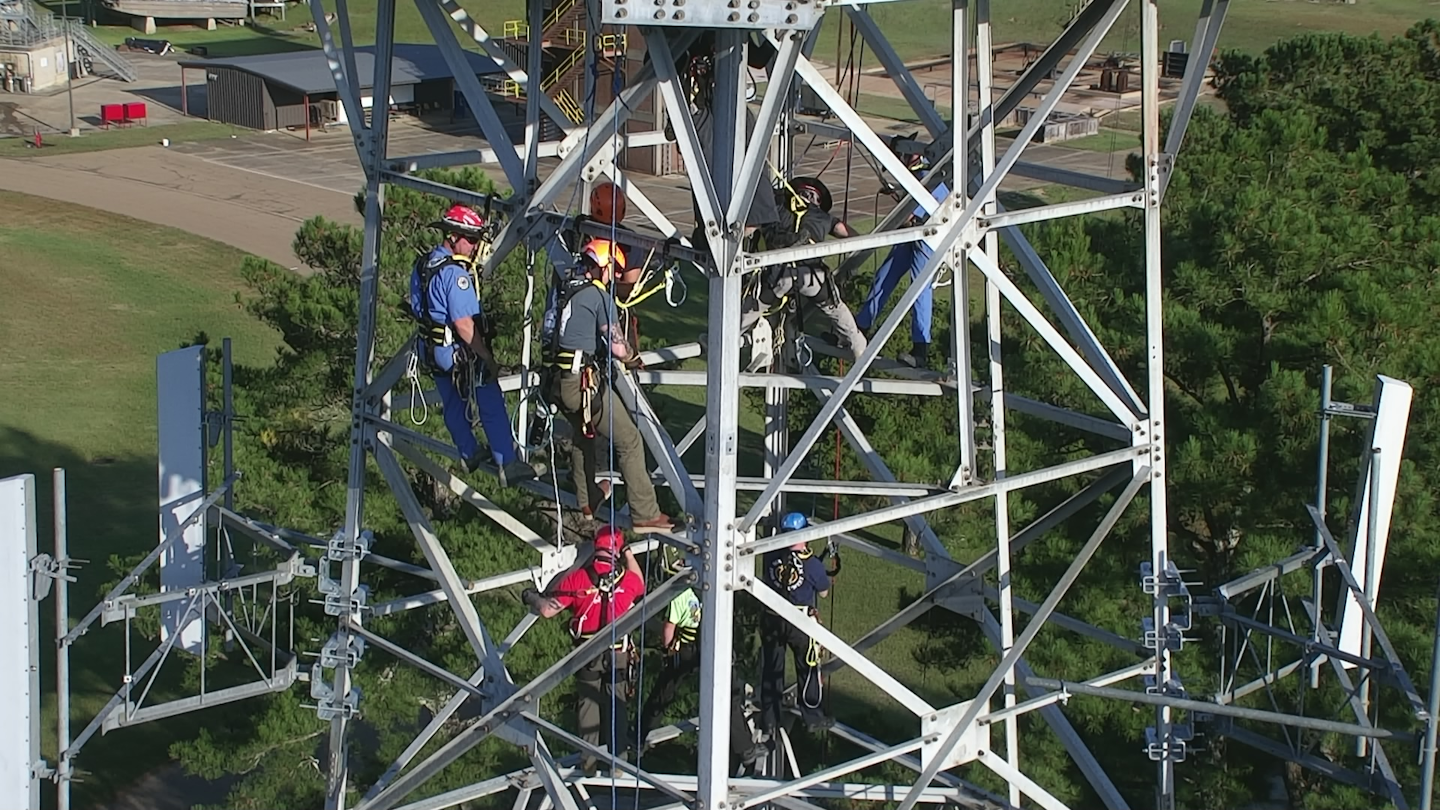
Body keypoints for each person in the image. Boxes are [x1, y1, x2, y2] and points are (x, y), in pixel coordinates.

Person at [543, 238, 677, 533]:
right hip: (581, 384)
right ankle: (645, 513)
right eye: (614, 270)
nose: (616, 276)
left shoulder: (564, 287)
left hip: (556, 380)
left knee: (583, 434)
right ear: (603, 267)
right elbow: (617, 347)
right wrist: (632, 357)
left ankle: (587, 500)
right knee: (629, 439)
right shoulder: (598, 297)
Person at [410, 204, 541, 486]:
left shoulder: (423, 265)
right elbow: (464, 325)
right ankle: (507, 463)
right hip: (457, 350)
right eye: (470, 239)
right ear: (453, 237)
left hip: (431, 349)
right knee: (490, 398)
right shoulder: (455, 275)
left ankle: (468, 452)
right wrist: (486, 357)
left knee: (452, 402)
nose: (473, 247)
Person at [523, 525, 646, 771]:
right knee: (617, 705)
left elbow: (548, 610)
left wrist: (530, 596)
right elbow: (641, 583)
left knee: (588, 705)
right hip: (618, 652)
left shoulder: (579, 579)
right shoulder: (628, 580)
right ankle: (618, 762)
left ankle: (588, 760)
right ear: (617, 550)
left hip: (588, 652)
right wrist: (629, 554)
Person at [638, 548, 764, 769]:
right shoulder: (711, 585)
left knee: (664, 690)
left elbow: (669, 629)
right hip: (713, 644)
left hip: (685, 647)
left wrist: (667, 649)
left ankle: (639, 736)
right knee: (730, 696)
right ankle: (745, 749)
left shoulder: (680, 594)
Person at [745, 177, 867, 360]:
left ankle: (729, 334)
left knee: (751, 308)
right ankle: (857, 344)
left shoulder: (776, 208)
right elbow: (850, 235)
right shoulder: (824, 217)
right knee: (835, 308)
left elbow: (749, 229)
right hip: (811, 276)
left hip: (779, 275)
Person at [854, 143, 951, 369]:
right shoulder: (922, 175)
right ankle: (860, 329)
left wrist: (900, 209)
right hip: (914, 235)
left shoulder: (928, 177)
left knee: (919, 288)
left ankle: (920, 348)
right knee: (884, 277)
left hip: (927, 239)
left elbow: (910, 215)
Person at [758, 512, 835, 734]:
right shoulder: (811, 564)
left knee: (772, 668)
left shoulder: (771, 555)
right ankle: (812, 715)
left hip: (772, 618)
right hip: (800, 622)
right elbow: (823, 593)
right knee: (808, 667)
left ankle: (770, 719)